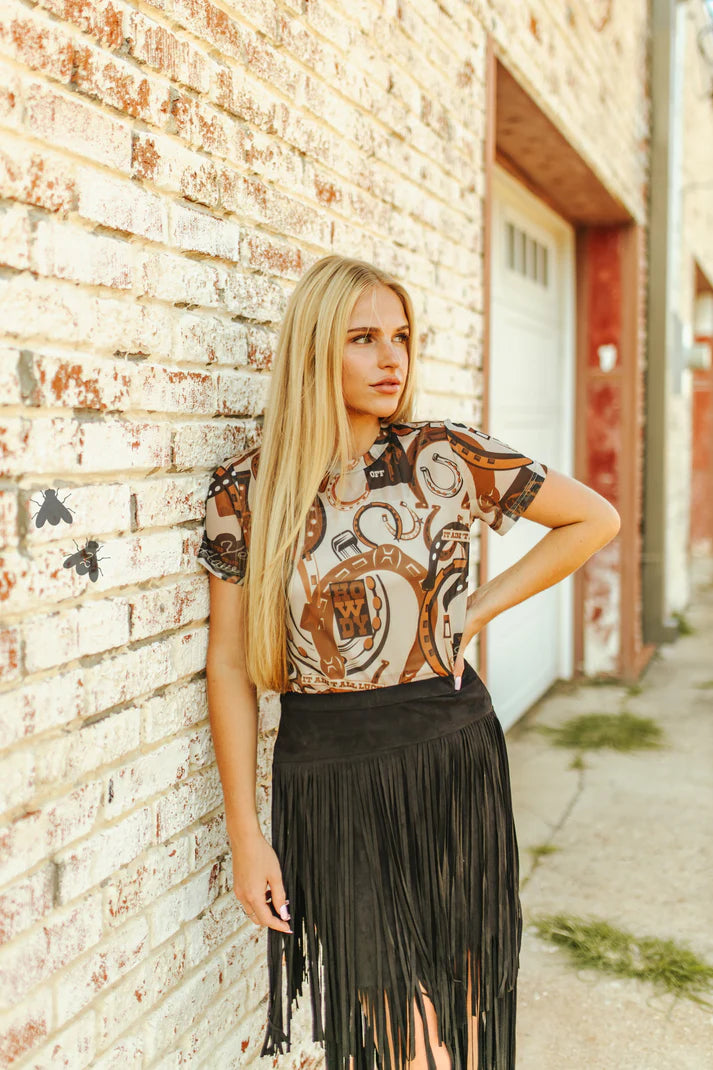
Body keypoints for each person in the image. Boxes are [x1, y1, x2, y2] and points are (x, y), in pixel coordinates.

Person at [196, 254, 620, 1070]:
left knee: (462, 1007)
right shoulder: (244, 490)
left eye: (400, 337)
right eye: (362, 338)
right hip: (328, 776)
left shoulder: (444, 454)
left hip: (450, 750)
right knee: (402, 1035)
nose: (391, 358)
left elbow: (592, 519)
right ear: (314, 348)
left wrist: (478, 610)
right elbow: (227, 666)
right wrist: (246, 835)